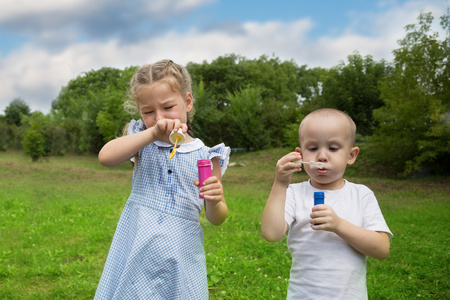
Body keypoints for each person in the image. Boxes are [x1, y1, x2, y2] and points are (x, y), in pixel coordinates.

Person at [95, 59, 230, 299]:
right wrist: (152, 133)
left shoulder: (208, 156)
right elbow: (105, 157)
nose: (159, 118)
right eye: (148, 111)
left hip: (181, 250)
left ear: (187, 102)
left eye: (167, 107)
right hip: (137, 245)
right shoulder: (141, 139)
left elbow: (216, 218)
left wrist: (215, 200)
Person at [261, 108, 392, 299]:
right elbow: (271, 234)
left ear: (351, 155)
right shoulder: (295, 193)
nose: (322, 156)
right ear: (300, 154)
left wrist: (339, 225)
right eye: (313, 148)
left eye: (333, 148)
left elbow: (381, 249)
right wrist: (280, 183)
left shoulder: (361, 195)